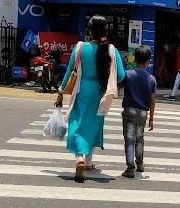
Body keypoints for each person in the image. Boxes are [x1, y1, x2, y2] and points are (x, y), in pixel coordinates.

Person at [55, 15, 125, 182]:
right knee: (95, 124)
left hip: (82, 89)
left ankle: (79, 158)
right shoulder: (111, 50)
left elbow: (69, 72)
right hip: (100, 92)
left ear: (89, 31)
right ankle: (88, 162)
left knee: (76, 122)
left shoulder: (80, 48)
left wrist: (60, 92)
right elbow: (121, 76)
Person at [121, 46, 156, 179]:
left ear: (134, 59)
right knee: (139, 138)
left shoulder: (128, 74)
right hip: (143, 112)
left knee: (129, 140)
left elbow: (118, 86)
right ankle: (140, 163)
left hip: (129, 110)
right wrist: (151, 118)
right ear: (148, 62)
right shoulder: (151, 79)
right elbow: (152, 101)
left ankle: (130, 168)